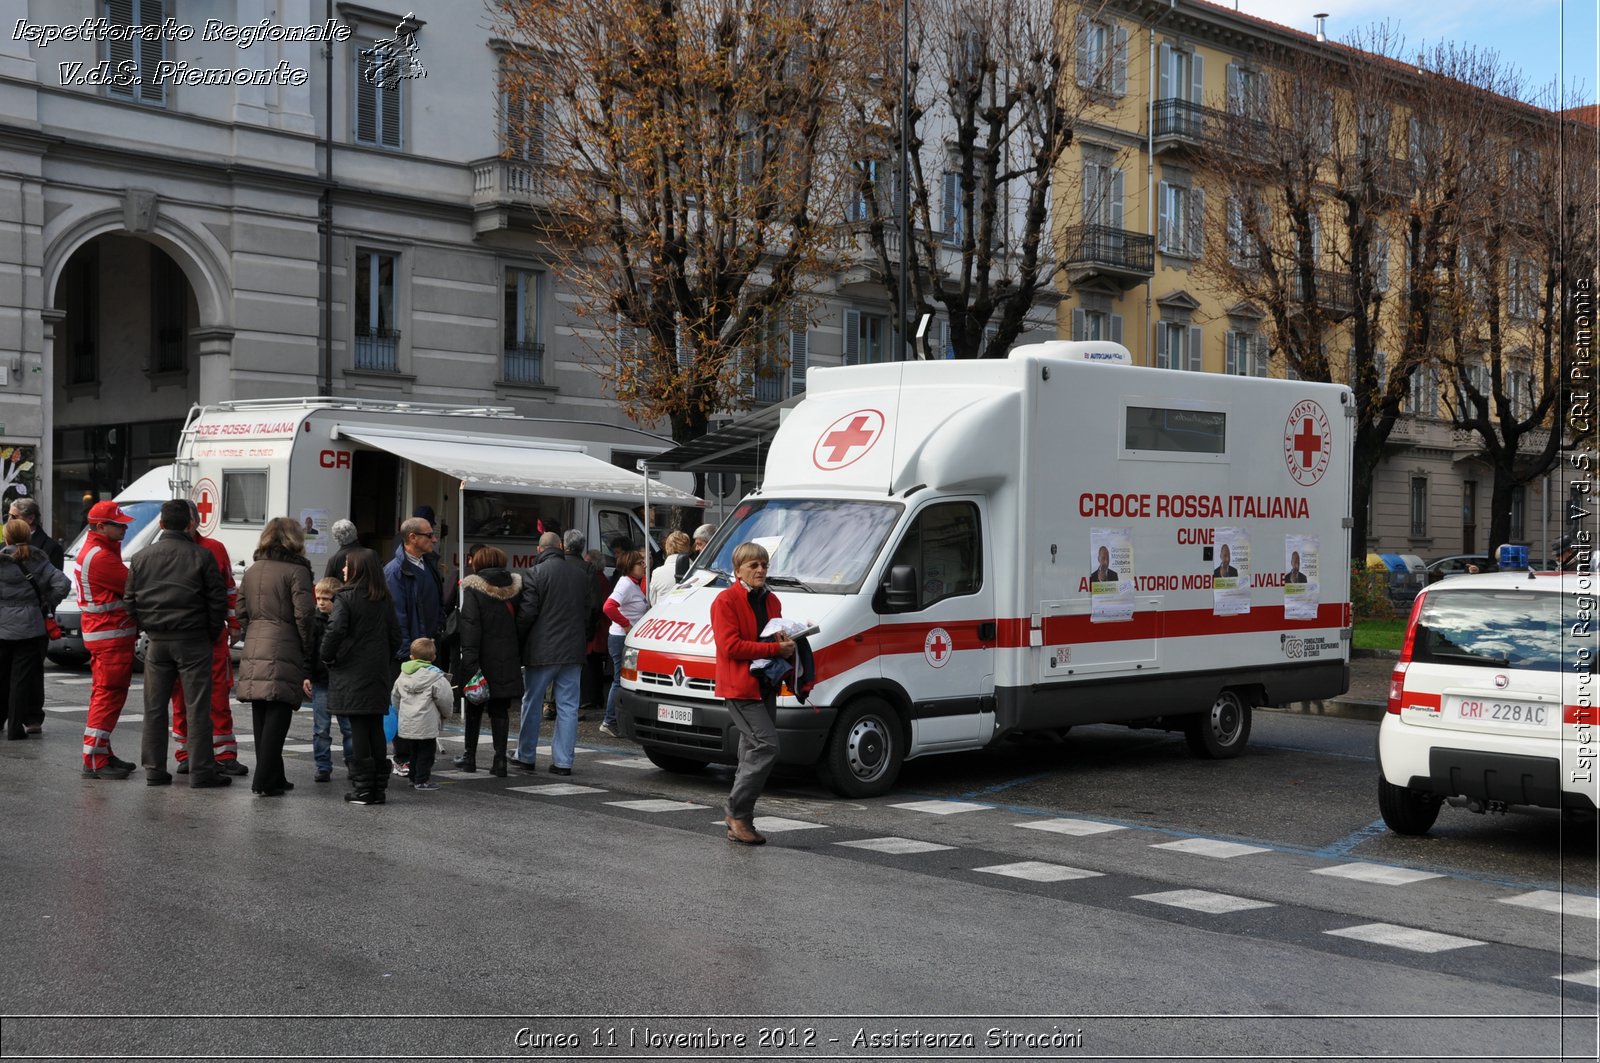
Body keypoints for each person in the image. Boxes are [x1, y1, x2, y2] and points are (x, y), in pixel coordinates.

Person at [125, 500, 228, 789]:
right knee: (198, 707)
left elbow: (130, 601)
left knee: (154, 708)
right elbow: (216, 601)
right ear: (190, 524)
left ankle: (155, 769)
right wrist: (208, 633)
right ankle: (201, 771)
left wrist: (147, 625)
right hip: (193, 639)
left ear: (161, 525)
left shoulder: (141, 557)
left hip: (157, 641)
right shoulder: (202, 556)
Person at [712, 542, 794, 846]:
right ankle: (735, 813)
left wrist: (791, 639)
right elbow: (730, 646)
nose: (760, 570)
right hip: (739, 686)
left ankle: (741, 819)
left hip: (765, 684)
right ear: (738, 571)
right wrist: (775, 648)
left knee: (750, 752)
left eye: (764, 565)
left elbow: (775, 635)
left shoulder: (771, 600)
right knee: (766, 746)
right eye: (753, 565)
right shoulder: (726, 600)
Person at [235, 517, 317, 798]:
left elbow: (241, 609)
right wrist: (308, 645)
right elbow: (304, 614)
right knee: (279, 714)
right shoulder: (297, 570)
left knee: (262, 714)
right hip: (284, 644)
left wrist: (252, 631)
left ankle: (274, 775)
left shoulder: (254, 569)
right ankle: (264, 779)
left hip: (256, 641)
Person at [171, 501, 247, 778]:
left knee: (217, 696)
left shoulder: (214, 548)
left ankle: (224, 754)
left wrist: (234, 624)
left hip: (211, 636)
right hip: (187, 635)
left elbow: (228, 588)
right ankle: (186, 753)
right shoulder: (177, 549)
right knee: (181, 697)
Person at [323, 547, 403, 805]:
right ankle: (378, 788)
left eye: (347, 565)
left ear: (357, 569)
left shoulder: (346, 599)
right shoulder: (383, 598)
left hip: (352, 672)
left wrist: (328, 656)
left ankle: (363, 789)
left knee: (358, 727)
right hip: (377, 671)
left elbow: (334, 632)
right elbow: (396, 636)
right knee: (374, 727)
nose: (343, 569)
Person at [72, 501, 139, 777]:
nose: (124, 528)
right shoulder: (101, 557)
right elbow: (133, 588)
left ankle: (102, 753)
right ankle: (95, 759)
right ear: (101, 526)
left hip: (106, 635)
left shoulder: (98, 552)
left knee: (105, 695)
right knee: (107, 697)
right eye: (118, 524)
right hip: (110, 636)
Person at [514, 531, 590, 773]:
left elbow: (527, 614)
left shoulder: (535, 574)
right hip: (573, 650)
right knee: (569, 706)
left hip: (542, 650)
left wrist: (519, 640)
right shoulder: (580, 574)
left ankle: (526, 755)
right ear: (561, 546)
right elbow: (589, 611)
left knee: (532, 702)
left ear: (539, 550)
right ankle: (563, 761)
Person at [455, 545, 522, 776]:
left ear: (478, 563)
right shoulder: (515, 588)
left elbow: (470, 626)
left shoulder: (473, 589)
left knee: (475, 709)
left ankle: (470, 757)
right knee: (500, 711)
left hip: (481, 657)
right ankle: (500, 760)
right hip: (507, 657)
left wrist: (470, 661)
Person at [385, 514, 444, 776]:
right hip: (410, 652)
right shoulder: (396, 571)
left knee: (423, 706)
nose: (433, 539)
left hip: (426, 647)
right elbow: (398, 616)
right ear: (412, 538)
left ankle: (418, 758)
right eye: (428, 534)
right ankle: (402, 755)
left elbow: (435, 602)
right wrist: (407, 652)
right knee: (406, 706)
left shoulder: (427, 564)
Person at [0, 518, 69, 742]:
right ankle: (16, 728)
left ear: (6, 537)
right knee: (22, 679)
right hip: (30, 625)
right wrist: (47, 601)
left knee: (1, 676)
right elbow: (62, 583)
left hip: (2, 626)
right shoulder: (38, 559)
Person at [390, 637, 453, 791]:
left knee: (413, 752)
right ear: (433, 657)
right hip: (427, 722)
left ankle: (413, 777)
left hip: (407, 721)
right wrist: (446, 715)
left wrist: (400, 713)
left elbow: (395, 697)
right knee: (427, 753)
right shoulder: (437, 677)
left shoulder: (402, 675)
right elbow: (445, 699)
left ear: (411, 656)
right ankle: (422, 780)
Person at [306, 576, 352, 781]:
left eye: (326, 598)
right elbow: (308, 651)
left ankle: (351, 762)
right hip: (321, 679)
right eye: (318, 598)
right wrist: (306, 675)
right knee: (321, 728)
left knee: (348, 727)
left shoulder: (344, 620)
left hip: (340, 679)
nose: (321, 602)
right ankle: (323, 766)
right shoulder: (314, 622)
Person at [600, 549, 649, 737]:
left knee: (621, 679)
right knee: (619, 680)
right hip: (621, 637)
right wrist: (626, 625)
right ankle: (609, 720)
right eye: (640, 563)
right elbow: (608, 607)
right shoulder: (626, 584)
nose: (644, 566)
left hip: (624, 637)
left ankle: (612, 719)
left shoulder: (633, 584)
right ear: (630, 566)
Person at [580, 547, 611, 713]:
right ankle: (596, 698)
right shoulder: (603, 579)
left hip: (596, 628)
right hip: (601, 627)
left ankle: (590, 698)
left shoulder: (595, 580)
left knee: (591, 664)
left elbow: (594, 606)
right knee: (596, 665)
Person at [648, 530, 694, 608]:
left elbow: (653, 602)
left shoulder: (657, 572)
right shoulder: (697, 571)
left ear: (667, 547)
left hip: (663, 616)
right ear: (688, 548)